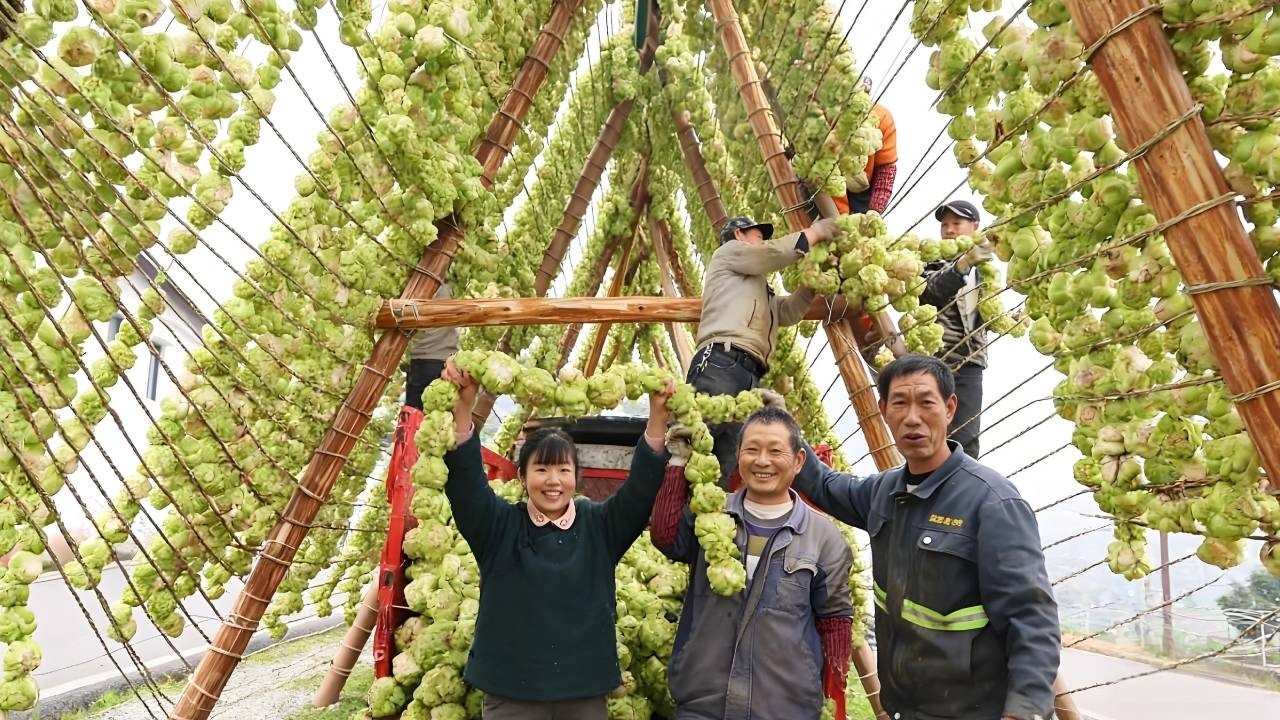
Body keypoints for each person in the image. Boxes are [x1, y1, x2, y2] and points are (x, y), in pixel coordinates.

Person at [793, 354, 1060, 720]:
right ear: (884, 411)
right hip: (905, 708)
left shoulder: (992, 502)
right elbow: (825, 485)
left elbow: (1031, 620)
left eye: (926, 402)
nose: (913, 417)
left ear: (950, 408)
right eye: (900, 403)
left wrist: (1024, 711)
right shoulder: (884, 492)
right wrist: (779, 434)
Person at [439, 357, 675, 719]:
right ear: (522, 477)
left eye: (564, 469)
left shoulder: (600, 527)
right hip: (510, 692)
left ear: (576, 478)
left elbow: (641, 491)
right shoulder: (498, 527)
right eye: (542, 469)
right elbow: (467, 485)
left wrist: (658, 417)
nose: (553, 480)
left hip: (584, 691)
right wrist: (464, 406)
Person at [650, 406, 855, 720]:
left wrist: (833, 691)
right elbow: (665, 537)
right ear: (739, 455)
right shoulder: (713, 513)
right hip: (704, 703)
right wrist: (677, 460)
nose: (762, 461)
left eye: (775, 451)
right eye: (752, 450)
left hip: (784, 708)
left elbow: (835, 620)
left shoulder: (824, 537)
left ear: (799, 461)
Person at [689, 214, 838, 487]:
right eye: (758, 234)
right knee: (699, 448)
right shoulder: (729, 253)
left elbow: (786, 312)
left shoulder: (756, 286)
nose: (763, 239)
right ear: (739, 235)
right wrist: (815, 233)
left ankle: (700, 520)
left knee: (723, 458)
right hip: (722, 360)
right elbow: (771, 253)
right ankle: (673, 518)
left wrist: (809, 286)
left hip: (745, 371)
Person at [923, 199, 994, 458]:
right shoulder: (932, 259)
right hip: (937, 361)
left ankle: (960, 492)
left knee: (966, 440)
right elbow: (930, 293)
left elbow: (989, 311)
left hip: (971, 363)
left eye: (956, 224)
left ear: (974, 226)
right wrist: (962, 265)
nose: (949, 230)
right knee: (932, 434)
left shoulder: (986, 266)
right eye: (945, 225)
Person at [839, 78, 898, 216]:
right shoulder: (829, 114)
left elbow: (886, 169)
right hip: (826, 183)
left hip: (861, 189)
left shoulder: (881, 117)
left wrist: (874, 211)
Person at [404, 283, 460, 410]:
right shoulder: (444, 289)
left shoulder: (416, 287)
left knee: (415, 417)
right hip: (442, 361)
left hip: (422, 362)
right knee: (441, 419)